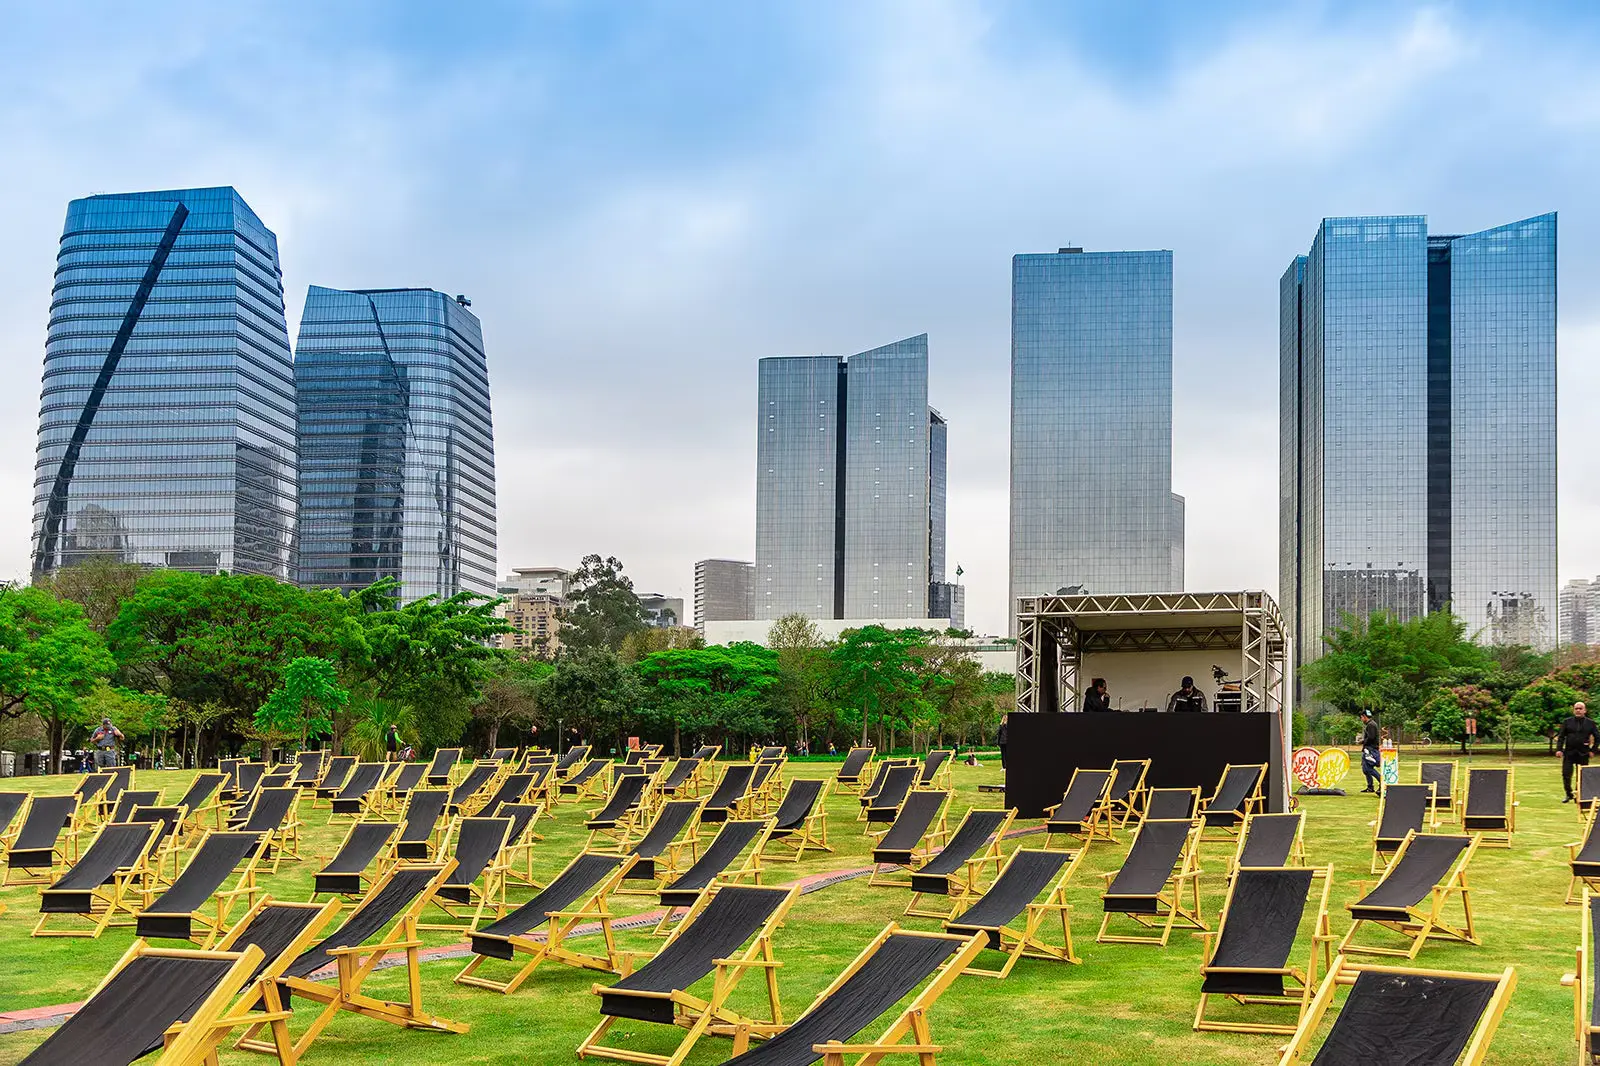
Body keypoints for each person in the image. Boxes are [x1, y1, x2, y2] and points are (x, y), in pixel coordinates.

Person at [1559, 701, 1600, 803]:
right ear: (1573, 710)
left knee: (1582, 775)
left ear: (1584, 710)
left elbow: (1597, 738)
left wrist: (1592, 750)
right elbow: (1561, 737)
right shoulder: (1567, 722)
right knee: (1566, 774)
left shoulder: (1590, 723)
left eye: (1580, 708)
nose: (1578, 710)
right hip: (1569, 753)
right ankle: (1569, 794)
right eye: (1576, 708)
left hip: (1583, 753)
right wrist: (1559, 749)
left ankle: (1579, 795)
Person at [1359, 710, 1382, 794]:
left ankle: (1382, 781)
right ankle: (1370, 787)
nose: (1361, 719)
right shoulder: (1371, 724)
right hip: (1368, 748)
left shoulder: (1371, 725)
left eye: (1361, 717)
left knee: (1369, 769)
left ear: (1364, 716)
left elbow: (1371, 737)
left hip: (1370, 749)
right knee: (1365, 769)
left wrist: (1362, 741)